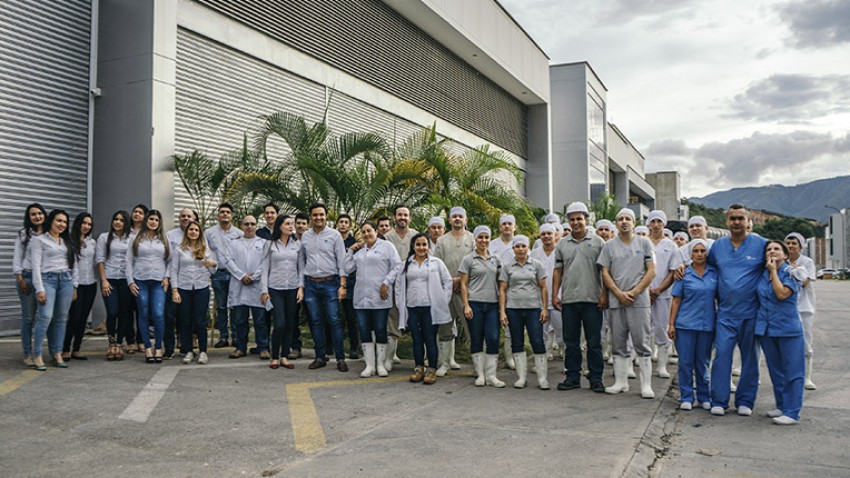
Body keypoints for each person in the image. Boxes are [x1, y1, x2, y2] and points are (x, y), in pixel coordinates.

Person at [708, 204, 768, 417]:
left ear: (748, 221)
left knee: (750, 359)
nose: (736, 222)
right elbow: (707, 269)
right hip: (725, 314)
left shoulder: (761, 244)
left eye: (740, 219)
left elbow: (778, 262)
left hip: (751, 313)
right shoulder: (718, 246)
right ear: (727, 222)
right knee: (722, 356)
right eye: (733, 218)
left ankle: (745, 401)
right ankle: (719, 400)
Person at [598, 208, 657, 398]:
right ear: (615, 224)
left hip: (639, 301)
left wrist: (635, 292)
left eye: (628, 219)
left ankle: (646, 385)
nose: (624, 222)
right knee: (618, 342)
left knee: (642, 342)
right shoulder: (609, 246)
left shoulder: (644, 242)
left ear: (634, 223)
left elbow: (651, 271)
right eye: (620, 219)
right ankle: (620, 382)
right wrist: (617, 293)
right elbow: (604, 272)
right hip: (617, 301)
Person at [552, 202, 606, 393]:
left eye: (579, 219)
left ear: (586, 220)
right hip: (569, 300)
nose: (576, 223)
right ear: (568, 221)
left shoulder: (599, 242)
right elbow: (558, 271)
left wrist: (604, 294)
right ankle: (572, 376)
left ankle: (596, 378)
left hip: (592, 299)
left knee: (594, 342)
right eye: (572, 219)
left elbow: (604, 272)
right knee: (571, 342)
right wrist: (555, 294)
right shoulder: (562, 244)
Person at [757, 240, 805, 425]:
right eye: (769, 249)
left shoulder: (791, 273)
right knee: (776, 370)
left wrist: (773, 272)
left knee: (793, 370)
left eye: (777, 249)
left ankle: (792, 412)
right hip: (767, 329)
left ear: (785, 255)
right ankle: (782, 405)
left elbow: (781, 294)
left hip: (788, 329)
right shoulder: (762, 274)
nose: (772, 251)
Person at [345, 221, 401, 377]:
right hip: (361, 298)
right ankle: (369, 366)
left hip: (380, 297)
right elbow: (347, 268)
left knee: (381, 329)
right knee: (364, 330)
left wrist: (386, 282)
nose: (366, 234)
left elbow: (397, 266)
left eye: (369, 231)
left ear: (376, 231)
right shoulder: (360, 251)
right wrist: (350, 251)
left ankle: (380, 365)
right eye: (363, 232)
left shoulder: (387, 247)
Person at [395, 233, 453, 384]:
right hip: (412, 307)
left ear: (428, 246)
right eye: (418, 245)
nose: (421, 248)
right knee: (416, 339)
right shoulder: (406, 264)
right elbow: (399, 287)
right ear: (413, 246)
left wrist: (443, 300)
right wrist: (399, 304)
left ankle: (431, 370)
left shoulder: (436, 263)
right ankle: (419, 369)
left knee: (430, 339)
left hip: (430, 308)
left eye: (424, 244)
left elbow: (447, 281)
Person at [667, 239, 717, 410]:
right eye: (695, 251)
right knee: (685, 362)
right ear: (690, 254)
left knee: (703, 363)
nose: (699, 254)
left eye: (702, 251)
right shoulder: (683, 274)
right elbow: (676, 300)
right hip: (685, 325)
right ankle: (687, 396)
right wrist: (671, 324)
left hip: (707, 325)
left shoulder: (714, 273)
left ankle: (704, 395)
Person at [299, 203, 349, 371]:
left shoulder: (334, 235)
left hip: (331, 283)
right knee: (315, 321)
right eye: (315, 215)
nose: (318, 218)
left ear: (326, 216)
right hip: (311, 284)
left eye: (321, 214)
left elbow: (342, 261)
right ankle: (320, 357)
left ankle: (340, 358)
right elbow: (301, 262)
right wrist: (301, 286)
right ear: (311, 217)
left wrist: (342, 285)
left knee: (334, 321)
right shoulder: (305, 236)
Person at [30, 210, 78, 370]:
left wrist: (74, 285)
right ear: (51, 221)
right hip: (47, 280)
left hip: (66, 281)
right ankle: (36, 355)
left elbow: (74, 264)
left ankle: (56, 353)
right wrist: (39, 288)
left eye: (64, 222)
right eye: (58, 221)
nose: (62, 224)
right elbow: (35, 266)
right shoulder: (39, 240)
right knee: (45, 317)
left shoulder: (67, 241)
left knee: (61, 319)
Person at [499, 235, 549, 389]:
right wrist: (502, 312)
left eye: (523, 246)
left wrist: (545, 308)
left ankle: (542, 378)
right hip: (513, 309)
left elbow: (543, 287)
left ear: (528, 248)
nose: (520, 249)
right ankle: (521, 378)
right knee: (517, 341)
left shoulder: (537, 265)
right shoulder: (507, 267)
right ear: (513, 249)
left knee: (537, 340)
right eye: (517, 246)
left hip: (533, 308)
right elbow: (502, 289)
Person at [459, 225, 505, 387]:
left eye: (486, 237)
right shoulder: (468, 259)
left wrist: (502, 309)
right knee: (477, 338)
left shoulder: (496, 259)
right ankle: (480, 375)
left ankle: (491, 375)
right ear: (475, 239)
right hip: (475, 304)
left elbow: (501, 285)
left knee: (493, 338)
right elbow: (463, 284)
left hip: (492, 305)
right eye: (480, 237)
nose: (483, 240)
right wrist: (466, 305)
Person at [126, 209, 171, 363]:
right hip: (140, 280)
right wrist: (130, 281)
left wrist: (167, 277)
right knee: (143, 312)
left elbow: (171, 260)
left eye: (157, 220)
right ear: (146, 220)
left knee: (158, 314)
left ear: (159, 223)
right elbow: (129, 261)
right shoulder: (136, 238)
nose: (153, 222)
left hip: (158, 281)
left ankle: (158, 347)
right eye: (151, 219)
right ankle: (147, 348)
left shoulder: (164, 239)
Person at [434, 206, 473, 376]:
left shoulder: (472, 239)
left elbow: (475, 263)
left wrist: (461, 280)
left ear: (466, 220)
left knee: (471, 326)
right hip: (446, 289)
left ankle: (478, 366)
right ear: (449, 220)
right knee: (445, 326)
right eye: (454, 216)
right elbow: (437, 265)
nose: (457, 219)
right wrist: (450, 281)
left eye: (460, 216)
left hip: (467, 290)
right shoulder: (442, 241)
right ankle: (444, 363)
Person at [171, 220, 216, 365]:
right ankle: (188, 350)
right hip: (184, 288)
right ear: (187, 232)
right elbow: (174, 270)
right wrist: (175, 290)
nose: (193, 232)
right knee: (185, 321)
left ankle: (203, 351)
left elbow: (213, 269)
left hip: (201, 288)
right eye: (191, 229)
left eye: (196, 230)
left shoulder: (205, 249)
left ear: (200, 233)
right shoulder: (179, 249)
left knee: (200, 321)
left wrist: (212, 264)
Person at [260, 215, 302, 370]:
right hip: (274, 288)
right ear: (279, 226)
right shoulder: (270, 244)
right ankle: (274, 356)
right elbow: (264, 268)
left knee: (290, 323)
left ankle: (284, 356)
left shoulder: (297, 245)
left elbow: (301, 267)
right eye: (287, 224)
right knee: (279, 324)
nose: (291, 226)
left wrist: (301, 288)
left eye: (292, 224)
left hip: (292, 288)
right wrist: (264, 291)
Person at [225, 215, 269, 359]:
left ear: (256, 226)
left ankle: (263, 347)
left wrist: (254, 276)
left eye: (252, 224)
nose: (249, 226)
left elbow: (266, 263)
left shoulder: (264, 243)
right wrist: (241, 275)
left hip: (257, 286)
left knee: (260, 320)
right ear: (241, 226)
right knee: (240, 320)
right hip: (239, 285)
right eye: (246, 224)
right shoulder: (233, 243)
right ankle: (240, 347)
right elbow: (228, 261)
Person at [646, 210, 684, 378]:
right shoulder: (641, 242)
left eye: (659, 221)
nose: (656, 225)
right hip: (642, 293)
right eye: (653, 221)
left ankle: (662, 366)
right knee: (642, 330)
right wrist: (645, 289)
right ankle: (642, 365)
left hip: (664, 294)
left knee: (662, 330)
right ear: (648, 224)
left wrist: (659, 289)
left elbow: (673, 271)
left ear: (664, 224)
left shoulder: (671, 246)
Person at [383, 205, 418, 371]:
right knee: (392, 319)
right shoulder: (386, 237)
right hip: (393, 284)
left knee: (418, 321)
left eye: (405, 215)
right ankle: (389, 359)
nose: (402, 217)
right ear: (394, 218)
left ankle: (422, 361)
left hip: (414, 284)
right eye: (399, 215)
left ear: (409, 218)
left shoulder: (416, 236)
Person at [96, 210, 133, 361]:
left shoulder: (132, 238)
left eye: (121, 220)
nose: (117, 222)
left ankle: (118, 344)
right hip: (109, 279)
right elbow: (100, 260)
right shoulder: (104, 237)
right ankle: (111, 341)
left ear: (126, 223)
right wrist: (104, 280)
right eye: (115, 219)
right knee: (112, 311)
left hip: (126, 278)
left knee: (124, 312)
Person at [205, 203, 243, 348]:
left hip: (234, 274)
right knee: (221, 307)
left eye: (228, 212)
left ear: (231, 215)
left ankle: (236, 337)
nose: (225, 214)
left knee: (234, 306)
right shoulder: (209, 233)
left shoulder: (239, 233)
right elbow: (205, 252)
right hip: (218, 274)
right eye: (222, 212)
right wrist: (211, 271)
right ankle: (223, 337)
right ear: (218, 215)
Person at [13, 203, 46, 367]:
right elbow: (17, 258)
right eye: (33, 214)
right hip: (26, 277)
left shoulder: (49, 234)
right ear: (29, 217)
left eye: (40, 213)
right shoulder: (23, 235)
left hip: (45, 278)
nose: (37, 216)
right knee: (28, 318)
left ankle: (39, 352)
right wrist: (20, 279)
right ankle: (27, 353)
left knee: (44, 317)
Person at [785, 232, 817, 390]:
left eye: (794, 243)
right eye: (788, 243)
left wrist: (795, 271)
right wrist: (795, 271)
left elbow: (804, 283)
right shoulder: (782, 261)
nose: (790, 246)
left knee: (805, 342)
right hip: (786, 308)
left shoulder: (807, 262)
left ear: (801, 246)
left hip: (804, 307)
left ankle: (807, 377)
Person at [63, 212, 97, 361]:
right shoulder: (69, 241)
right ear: (78, 223)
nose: (86, 226)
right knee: (74, 317)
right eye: (84, 223)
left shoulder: (92, 242)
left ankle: (76, 349)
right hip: (76, 284)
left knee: (83, 318)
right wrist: (74, 287)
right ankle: (65, 349)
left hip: (91, 284)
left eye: (89, 224)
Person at [164, 208, 197, 360]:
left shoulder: (199, 236)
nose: (185, 218)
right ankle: (169, 349)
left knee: (186, 316)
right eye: (183, 216)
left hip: (189, 283)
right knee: (169, 316)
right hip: (171, 280)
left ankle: (186, 347)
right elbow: (167, 259)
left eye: (188, 216)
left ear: (194, 218)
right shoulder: (170, 235)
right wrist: (166, 277)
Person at [489, 213, 518, 369]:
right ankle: (492, 358)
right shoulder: (492, 245)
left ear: (515, 226)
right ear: (500, 227)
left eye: (509, 223)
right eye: (504, 224)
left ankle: (510, 357)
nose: (507, 226)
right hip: (494, 288)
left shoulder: (520, 243)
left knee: (511, 323)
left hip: (514, 289)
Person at [531, 223, 563, 361]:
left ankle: (567, 362)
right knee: (540, 333)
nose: (546, 236)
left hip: (559, 298)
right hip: (539, 300)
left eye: (549, 233)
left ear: (555, 235)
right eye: (543, 234)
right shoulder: (534, 254)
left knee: (562, 331)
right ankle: (541, 363)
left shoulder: (561, 252)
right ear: (540, 236)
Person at [336, 213, 360, 359]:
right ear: (337, 224)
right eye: (341, 222)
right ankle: (330, 345)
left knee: (352, 318)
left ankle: (354, 347)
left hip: (351, 284)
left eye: (346, 222)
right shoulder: (332, 240)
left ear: (350, 226)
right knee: (333, 317)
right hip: (334, 282)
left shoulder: (355, 243)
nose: (343, 224)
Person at [288, 212, 312, 359]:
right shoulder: (288, 240)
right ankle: (295, 347)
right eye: (298, 223)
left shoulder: (312, 240)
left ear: (307, 225)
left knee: (314, 317)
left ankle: (323, 348)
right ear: (294, 225)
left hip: (310, 283)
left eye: (304, 223)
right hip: (292, 283)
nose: (301, 226)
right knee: (293, 318)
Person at [128, 204, 149, 352]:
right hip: (127, 277)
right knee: (128, 310)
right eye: (135, 211)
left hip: (144, 276)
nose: (137, 214)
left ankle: (141, 339)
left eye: (140, 213)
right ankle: (130, 341)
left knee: (142, 310)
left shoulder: (149, 233)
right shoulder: (125, 232)